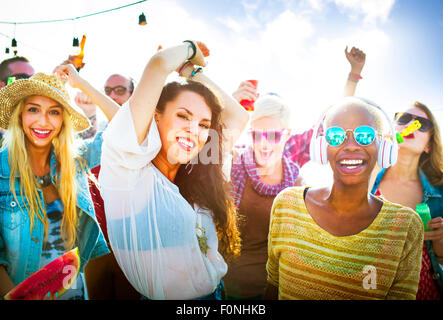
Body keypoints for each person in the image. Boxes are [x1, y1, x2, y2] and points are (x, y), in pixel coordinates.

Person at [99, 40, 249, 300]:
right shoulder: (128, 172)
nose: (194, 130)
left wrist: (193, 73)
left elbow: (238, 116)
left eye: (204, 124)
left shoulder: (199, 169)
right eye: (183, 116)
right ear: (156, 115)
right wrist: (192, 49)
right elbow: (158, 65)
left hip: (218, 295)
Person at [264, 97, 424, 299]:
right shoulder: (287, 205)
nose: (350, 146)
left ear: (383, 147)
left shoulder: (406, 227)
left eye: (364, 136)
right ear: (322, 147)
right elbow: (273, 286)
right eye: (336, 136)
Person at [0, 69, 117, 299]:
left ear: (63, 120)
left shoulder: (77, 163)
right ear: (20, 114)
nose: (43, 121)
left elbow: (127, 127)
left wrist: (82, 83)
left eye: (54, 112)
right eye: (33, 109)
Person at [223, 94, 304, 299]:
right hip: (218, 285)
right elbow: (211, 143)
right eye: (257, 135)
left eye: (273, 136)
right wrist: (230, 103)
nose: (264, 144)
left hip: (267, 290)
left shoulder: (296, 181)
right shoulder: (232, 163)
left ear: (287, 134)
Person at [371, 102, 443, 299]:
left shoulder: (440, 194)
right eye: (403, 119)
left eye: (421, 123)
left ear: (428, 145)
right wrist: (375, 159)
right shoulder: (368, 172)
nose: (411, 124)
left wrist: (440, 244)